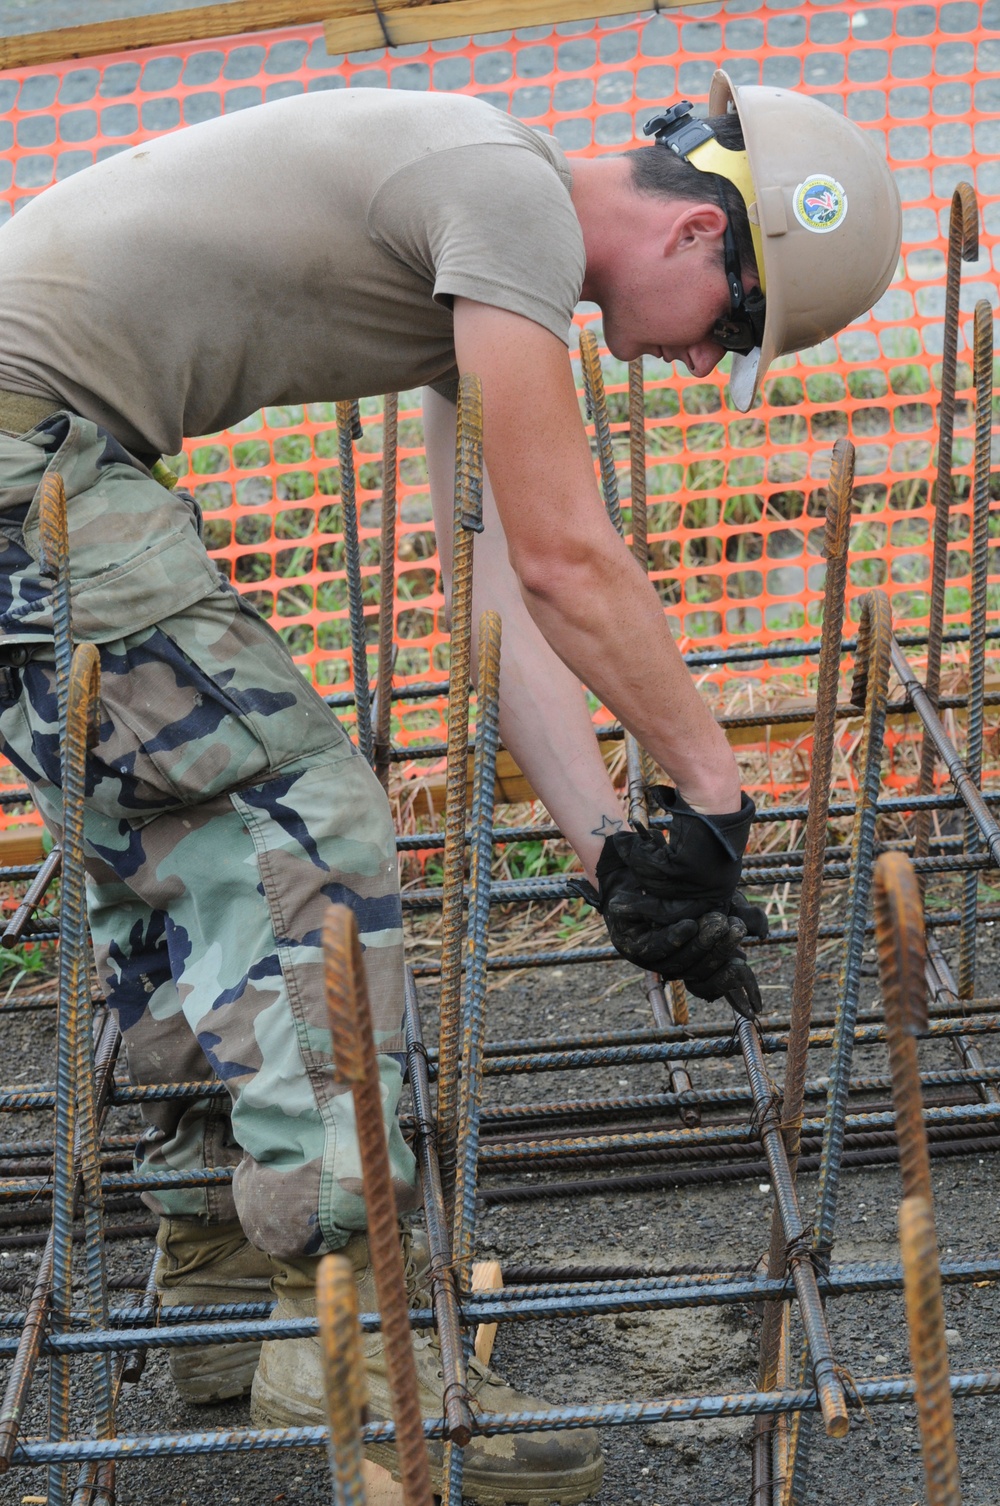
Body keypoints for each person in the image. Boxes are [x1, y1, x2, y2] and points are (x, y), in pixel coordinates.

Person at [0, 70, 900, 1502]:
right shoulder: (503, 193)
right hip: (30, 457)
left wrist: (608, 846)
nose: (694, 366)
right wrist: (719, 792)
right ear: (697, 239)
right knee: (304, 817)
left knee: (179, 833)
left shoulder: (484, 237)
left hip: (41, 459)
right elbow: (569, 553)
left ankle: (228, 1274)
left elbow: (496, 586)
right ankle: (346, 1328)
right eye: (733, 327)